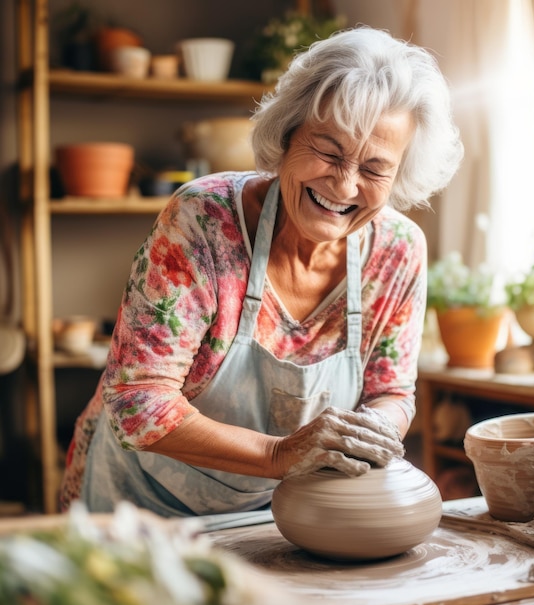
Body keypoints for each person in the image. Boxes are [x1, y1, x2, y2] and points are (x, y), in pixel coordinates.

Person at [60, 26, 463, 517]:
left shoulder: (399, 251)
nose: (344, 183)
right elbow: (138, 402)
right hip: (143, 509)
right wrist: (279, 454)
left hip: (280, 512)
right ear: (288, 136)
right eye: (328, 151)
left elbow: (391, 391)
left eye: (375, 168)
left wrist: (372, 430)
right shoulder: (204, 220)